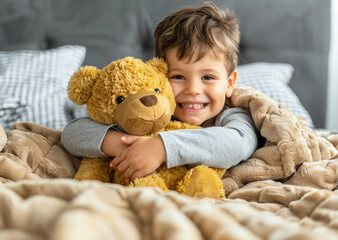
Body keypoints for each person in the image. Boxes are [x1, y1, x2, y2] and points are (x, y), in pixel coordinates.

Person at [62, 1, 258, 180]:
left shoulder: (232, 115)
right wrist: (124, 145)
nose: (193, 90)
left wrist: (162, 147)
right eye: (178, 77)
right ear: (160, 75)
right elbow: (72, 133)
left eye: (208, 77)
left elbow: (238, 144)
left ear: (229, 83)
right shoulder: (148, 112)